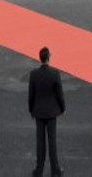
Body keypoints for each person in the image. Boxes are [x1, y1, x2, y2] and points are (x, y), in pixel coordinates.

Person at [28, 47, 65, 177]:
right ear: (49, 57)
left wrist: (31, 109)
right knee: (52, 141)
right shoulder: (55, 73)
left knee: (40, 141)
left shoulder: (34, 74)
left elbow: (31, 95)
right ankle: (55, 170)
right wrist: (62, 108)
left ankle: (39, 170)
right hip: (51, 112)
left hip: (38, 112)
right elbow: (59, 94)